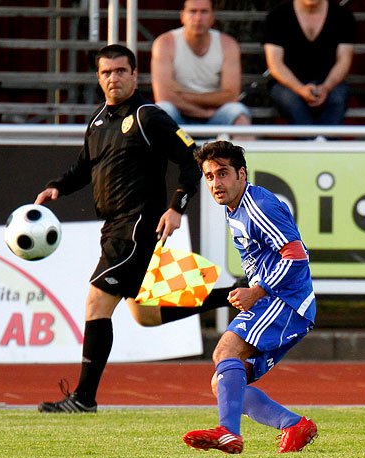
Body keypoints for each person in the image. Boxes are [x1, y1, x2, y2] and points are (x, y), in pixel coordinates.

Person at [35, 45, 237, 413]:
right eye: (106, 73)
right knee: (144, 314)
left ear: (134, 74)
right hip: (114, 226)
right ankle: (235, 294)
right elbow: (84, 167)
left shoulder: (148, 116)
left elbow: (192, 162)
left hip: (137, 225)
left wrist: (176, 207)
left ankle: (83, 398)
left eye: (120, 71)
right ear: (99, 78)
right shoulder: (98, 121)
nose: (113, 78)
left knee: (97, 301)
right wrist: (58, 187)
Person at [183, 141, 317, 454]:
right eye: (210, 176)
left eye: (223, 173)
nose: (216, 183)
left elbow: (297, 255)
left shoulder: (259, 205)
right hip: (277, 299)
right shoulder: (236, 209)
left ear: (241, 174)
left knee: (225, 350)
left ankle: (228, 432)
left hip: (286, 300)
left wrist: (257, 290)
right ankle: (294, 424)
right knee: (224, 382)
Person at [151, 0, 251, 126]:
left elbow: (231, 96)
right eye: (193, 11)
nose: (198, 18)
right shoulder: (165, 43)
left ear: (212, 17)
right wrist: (202, 112)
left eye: (204, 12)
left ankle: (242, 147)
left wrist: (184, 96)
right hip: (180, 116)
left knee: (238, 112)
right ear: (183, 16)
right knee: (163, 109)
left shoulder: (228, 45)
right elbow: (164, 96)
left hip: (215, 117)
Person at [263, 0, 355, 125]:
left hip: (331, 83)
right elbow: (275, 64)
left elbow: (344, 61)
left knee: (338, 97)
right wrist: (300, 89)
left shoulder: (342, 16)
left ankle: (326, 143)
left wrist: (326, 87)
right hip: (288, 84)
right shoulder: (278, 16)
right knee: (291, 99)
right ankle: (310, 143)